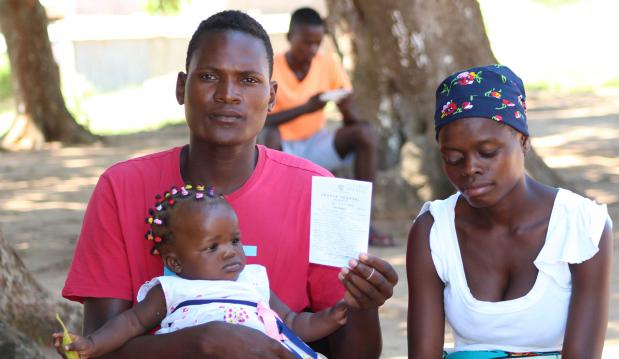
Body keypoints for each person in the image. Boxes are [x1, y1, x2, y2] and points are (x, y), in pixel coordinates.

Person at [59, 10, 397, 359]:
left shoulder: (322, 191)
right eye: (208, 76)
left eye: (248, 80)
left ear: (271, 96)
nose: (227, 94)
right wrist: (200, 343)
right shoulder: (121, 188)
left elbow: (353, 353)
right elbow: (97, 349)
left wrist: (364, 305)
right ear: (181, 87)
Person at [406, 65, 613, 358]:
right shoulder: (434, 230)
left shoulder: (582, 226)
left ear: (524, 142)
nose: (470, 168)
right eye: (453, 158)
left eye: (488, 152)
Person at [54, 185, 346, 359]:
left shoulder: (252, 279)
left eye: (234, 240)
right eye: (212, 247)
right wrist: (91, 344)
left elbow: (293, 321)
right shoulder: (172, 290)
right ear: (176, 263)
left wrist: (331, 317)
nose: (231, 251)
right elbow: (130, 324)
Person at [259, 7, 395, 247]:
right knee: (269, 133)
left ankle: (364, 223)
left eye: (317, 43)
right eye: (305, 43)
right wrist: (306, 108)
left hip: (316, 143)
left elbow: (350, 121)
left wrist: (346, 110)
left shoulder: (327, 64)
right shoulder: (271, 66)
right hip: (281, 149)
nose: (311, 50)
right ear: (290, 37)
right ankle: (273, 220)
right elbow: (260, 119)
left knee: (365, 133)